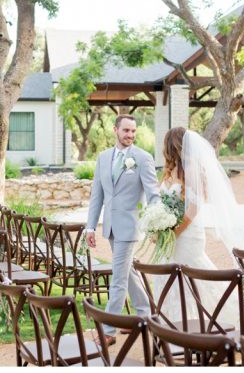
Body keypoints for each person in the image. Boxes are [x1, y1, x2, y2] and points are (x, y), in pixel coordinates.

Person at [152, 127, 244, 324]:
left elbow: (193, 210)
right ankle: (171, 325)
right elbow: (162, 203)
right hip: (169, 235)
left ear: (173, 145)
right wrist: (155, 227)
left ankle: (219, 320)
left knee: (194, 279)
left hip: (187, 236)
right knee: (168, 277)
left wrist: (172, 233)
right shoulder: (170, 170)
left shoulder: (193, 170)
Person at [85, 115, 160, 346]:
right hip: (109, 226)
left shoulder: (143, 158)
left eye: (133, 131)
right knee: (127, 273)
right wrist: (90, 226)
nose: (130, 135)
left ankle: (108, 331)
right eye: (126, 130)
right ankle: (145, 316)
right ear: (115, 129)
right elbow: (97, 194)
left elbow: (153, 194)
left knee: (117, 278)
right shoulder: (103, 158)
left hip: (130, 227)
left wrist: (156, 222)